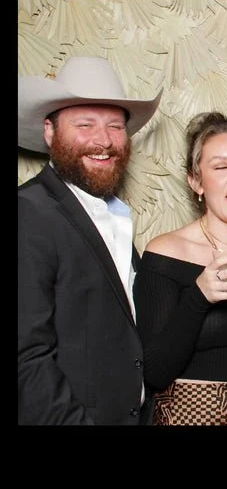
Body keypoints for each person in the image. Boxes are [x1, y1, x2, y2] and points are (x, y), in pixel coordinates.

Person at [18, 56, 162, 424]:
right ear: (50, 132)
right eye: (85, 124)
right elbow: (26, 357)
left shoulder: (114, 215)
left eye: (115, 126)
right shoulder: (29, 213)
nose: (103, 141)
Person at [134, 112, 227, 425]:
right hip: (188, 415)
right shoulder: (166, 252)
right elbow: (154, 372)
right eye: (221, 166)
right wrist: (199, 296)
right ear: (196, 181)